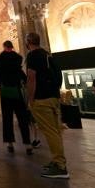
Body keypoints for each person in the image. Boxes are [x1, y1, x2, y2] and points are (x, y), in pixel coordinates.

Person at [25, 32, 69, 179]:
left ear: (29, 42)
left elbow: (31, 79)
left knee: (50, 131)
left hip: (42, 98)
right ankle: (58, 161)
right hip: (54, 97)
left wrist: (30, 99)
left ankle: (60, 166)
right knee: (55, 131)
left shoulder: (33, 55)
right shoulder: (47, 54)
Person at [0, 40, 33, 155]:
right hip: (17, 92)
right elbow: (21, 74)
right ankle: (27, 144)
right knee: (22, 118)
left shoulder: (2, 57)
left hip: (6, 93)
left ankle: (10, 143)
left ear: (5, 46)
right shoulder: (17, 58)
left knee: (7, 118)